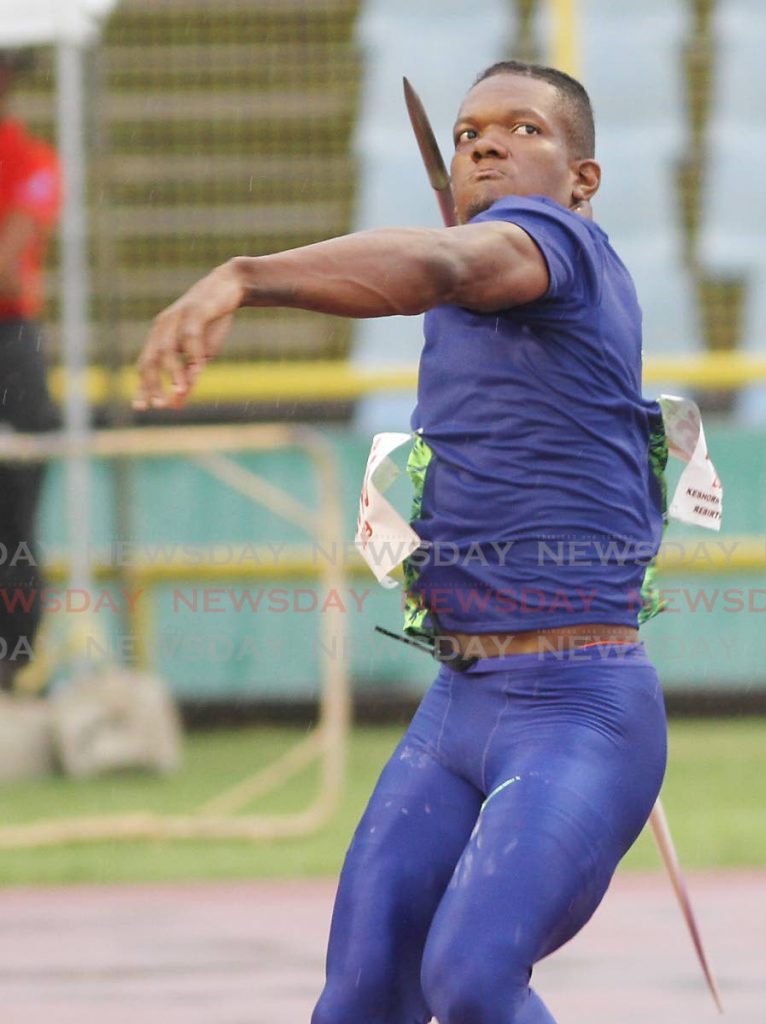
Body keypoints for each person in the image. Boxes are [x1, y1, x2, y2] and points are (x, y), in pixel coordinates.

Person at [135, 61, 669, 1024]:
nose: (488, 145)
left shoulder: (554, 248)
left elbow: (444, 264)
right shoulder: (481, 274)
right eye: (468, 136)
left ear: (583, 182)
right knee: (361, 995)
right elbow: (450, 271)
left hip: (578, 711)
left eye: (523, 131)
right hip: (459, 705)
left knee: (470, 981)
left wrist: (247, 275)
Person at [0, 49, 62, 692]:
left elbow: (7, 264)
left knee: (15, 518)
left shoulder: (33, 161)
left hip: (9, 344)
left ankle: (12, 663)